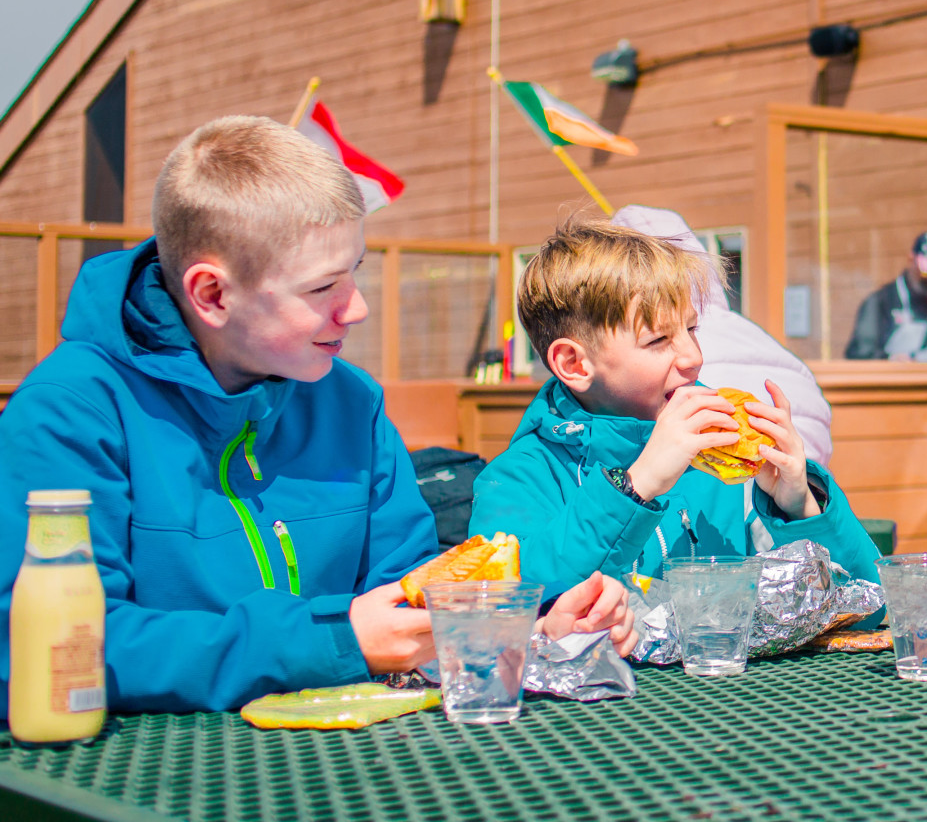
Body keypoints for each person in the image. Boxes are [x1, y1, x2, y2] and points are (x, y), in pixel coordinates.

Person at [0, 117, 637, 718]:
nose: (355, 308)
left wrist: (521, 632)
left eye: (355, 272)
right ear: (212, 294)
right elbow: (46, 649)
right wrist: (333, 641)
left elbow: (407, 603)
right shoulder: (71, 413)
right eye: (321, 288)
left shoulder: (350, 402)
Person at [469, 217, 881, 590]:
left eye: (690, 328)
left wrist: (799, 505)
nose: (693, 357)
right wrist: (637, 486)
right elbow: (506, 606)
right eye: (658, 339)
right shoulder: (517, 480)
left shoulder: (714, 463)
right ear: (573, 363)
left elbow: (868, 606)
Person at [610, 204, 834, 465]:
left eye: (692, 329)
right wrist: (808, 497)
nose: (693, 358)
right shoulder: (752, 332)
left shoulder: (677, 386)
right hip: (800, 470)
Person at [844, 230, 927, 361]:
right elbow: (859, 353)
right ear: (911, 259)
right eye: (926, 272)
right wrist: (890, 359)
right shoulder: (881, 301)